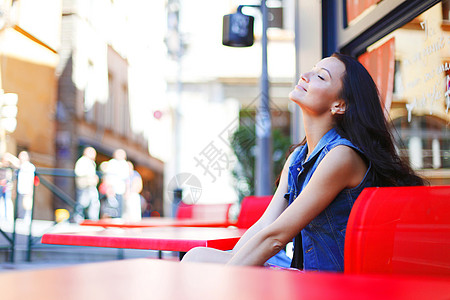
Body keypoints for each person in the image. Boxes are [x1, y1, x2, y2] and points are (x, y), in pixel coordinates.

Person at [181, 53, 424, 271]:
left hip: (334, 286)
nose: (305, 75)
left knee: (207, 267)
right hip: (304, 275)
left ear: (340, 105)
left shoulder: (342, 156)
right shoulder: (298, 157)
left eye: (320, 76)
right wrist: (233, 258)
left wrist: (228, 277)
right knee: (197, 257)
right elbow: (266, 224)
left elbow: (277, 237)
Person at [74, 146, 100, 223]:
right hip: (84, 186)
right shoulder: (82, 161)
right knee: (82, 203)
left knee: (94, 203)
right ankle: (79, 219)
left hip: (91, 186)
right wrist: (90, 177)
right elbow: (79, 173)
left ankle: (93, 220)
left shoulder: (91, 162)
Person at [103, 149, 129, 218]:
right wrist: (109, 189)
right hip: (113, 190)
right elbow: (108, 177)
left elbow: (126, 179)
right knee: (111, 210)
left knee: (120, 210)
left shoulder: (125, 164)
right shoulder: (112, 163)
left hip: (121, 190)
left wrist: (127, 190)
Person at [15, 151, 36, 222]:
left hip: (27, 188)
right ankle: (21, 218)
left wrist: (31, 189)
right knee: (20, 204)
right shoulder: (20, 166)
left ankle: (27, 218)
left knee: (27, 204)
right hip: (20, 188)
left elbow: (32, 179)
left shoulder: (29, 166)